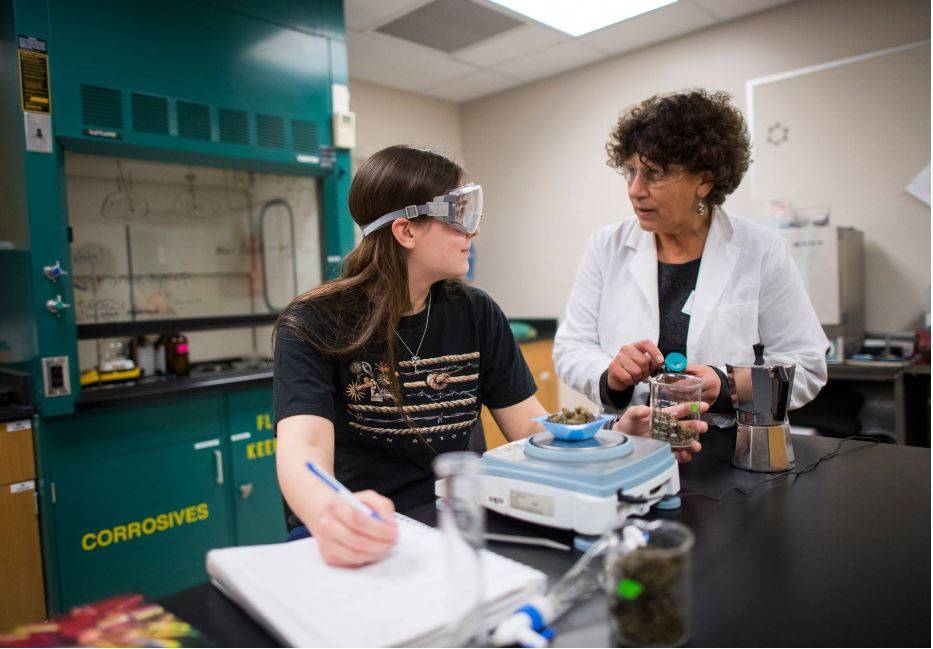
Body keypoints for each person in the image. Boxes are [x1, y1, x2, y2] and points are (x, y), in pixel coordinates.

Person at [273, 145, 678, 568]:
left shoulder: (475, 312)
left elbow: (530, 428)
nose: (473, 231)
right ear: (406, 231)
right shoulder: (314, 323)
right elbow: (303, 454)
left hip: (460, 519)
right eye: (458, 213)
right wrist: (329, 512)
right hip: (372, 527)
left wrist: (608, 435)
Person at [554, 90, 828, 431]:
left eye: (653, 173)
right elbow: (571, 347)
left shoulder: (761, 249)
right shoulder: (606, 246)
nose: (635, 190)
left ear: (705, 180)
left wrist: (728, 385)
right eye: (630, 171)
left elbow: (807, 365)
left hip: (728, 450)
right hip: (631, 443)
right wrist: (612, 375)